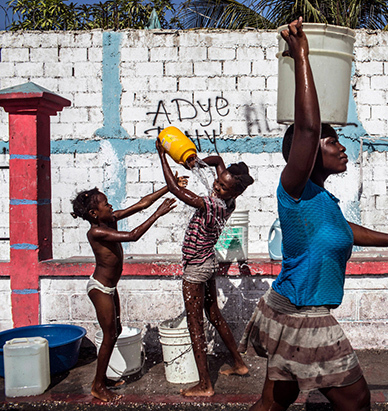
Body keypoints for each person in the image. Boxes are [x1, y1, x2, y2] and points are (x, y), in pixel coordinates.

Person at [239, 18, 388, 411]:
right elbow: (307, 130)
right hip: (302, 316)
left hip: (291, 310)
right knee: (357, 400)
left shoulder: (323, 200)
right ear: (308, 155)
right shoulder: (293, 191)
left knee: (276, 401)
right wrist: (302, 57)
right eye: (333, 141)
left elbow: (345, 231)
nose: (342, 148)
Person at [156, 140, 254, 397]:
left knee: (195, 323)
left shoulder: (215, 205)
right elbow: (217, 163)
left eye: (222, 187)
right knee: (213, 314)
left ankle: (205, 384)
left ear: (233, 193)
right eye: (218, 182)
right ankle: (239, 364)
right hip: (207, 263)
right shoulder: (227, 199)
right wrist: (194, 162)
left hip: (196, 268)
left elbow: (176, 190)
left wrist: (162, 155)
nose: (216, 186)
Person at [71, 184, 182, 402]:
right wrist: (158, 214)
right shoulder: (96, 232)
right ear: (94, 213)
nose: (110, 205)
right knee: (110, 334)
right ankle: (97, 385)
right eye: (105, 203)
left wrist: (169, 187)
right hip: (99, 289)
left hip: (110, 288)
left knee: (116, 330)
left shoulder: (109, 219)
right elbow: (132, 235)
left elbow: (142, 203)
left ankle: (102, 378)